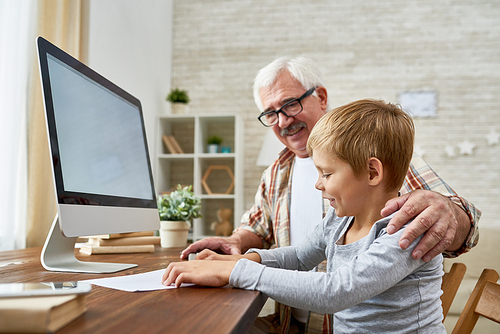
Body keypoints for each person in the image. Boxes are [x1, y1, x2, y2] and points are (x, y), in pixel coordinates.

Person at [180, 57, 480, 332]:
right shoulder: (322, 207)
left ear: (320, 97)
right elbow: (293, 251)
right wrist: (234, 255)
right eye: (271, 113)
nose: (283, 120)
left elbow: (336, 290)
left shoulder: (400, 217)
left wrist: (449, 210)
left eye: (290, 104)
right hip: (289, 323)